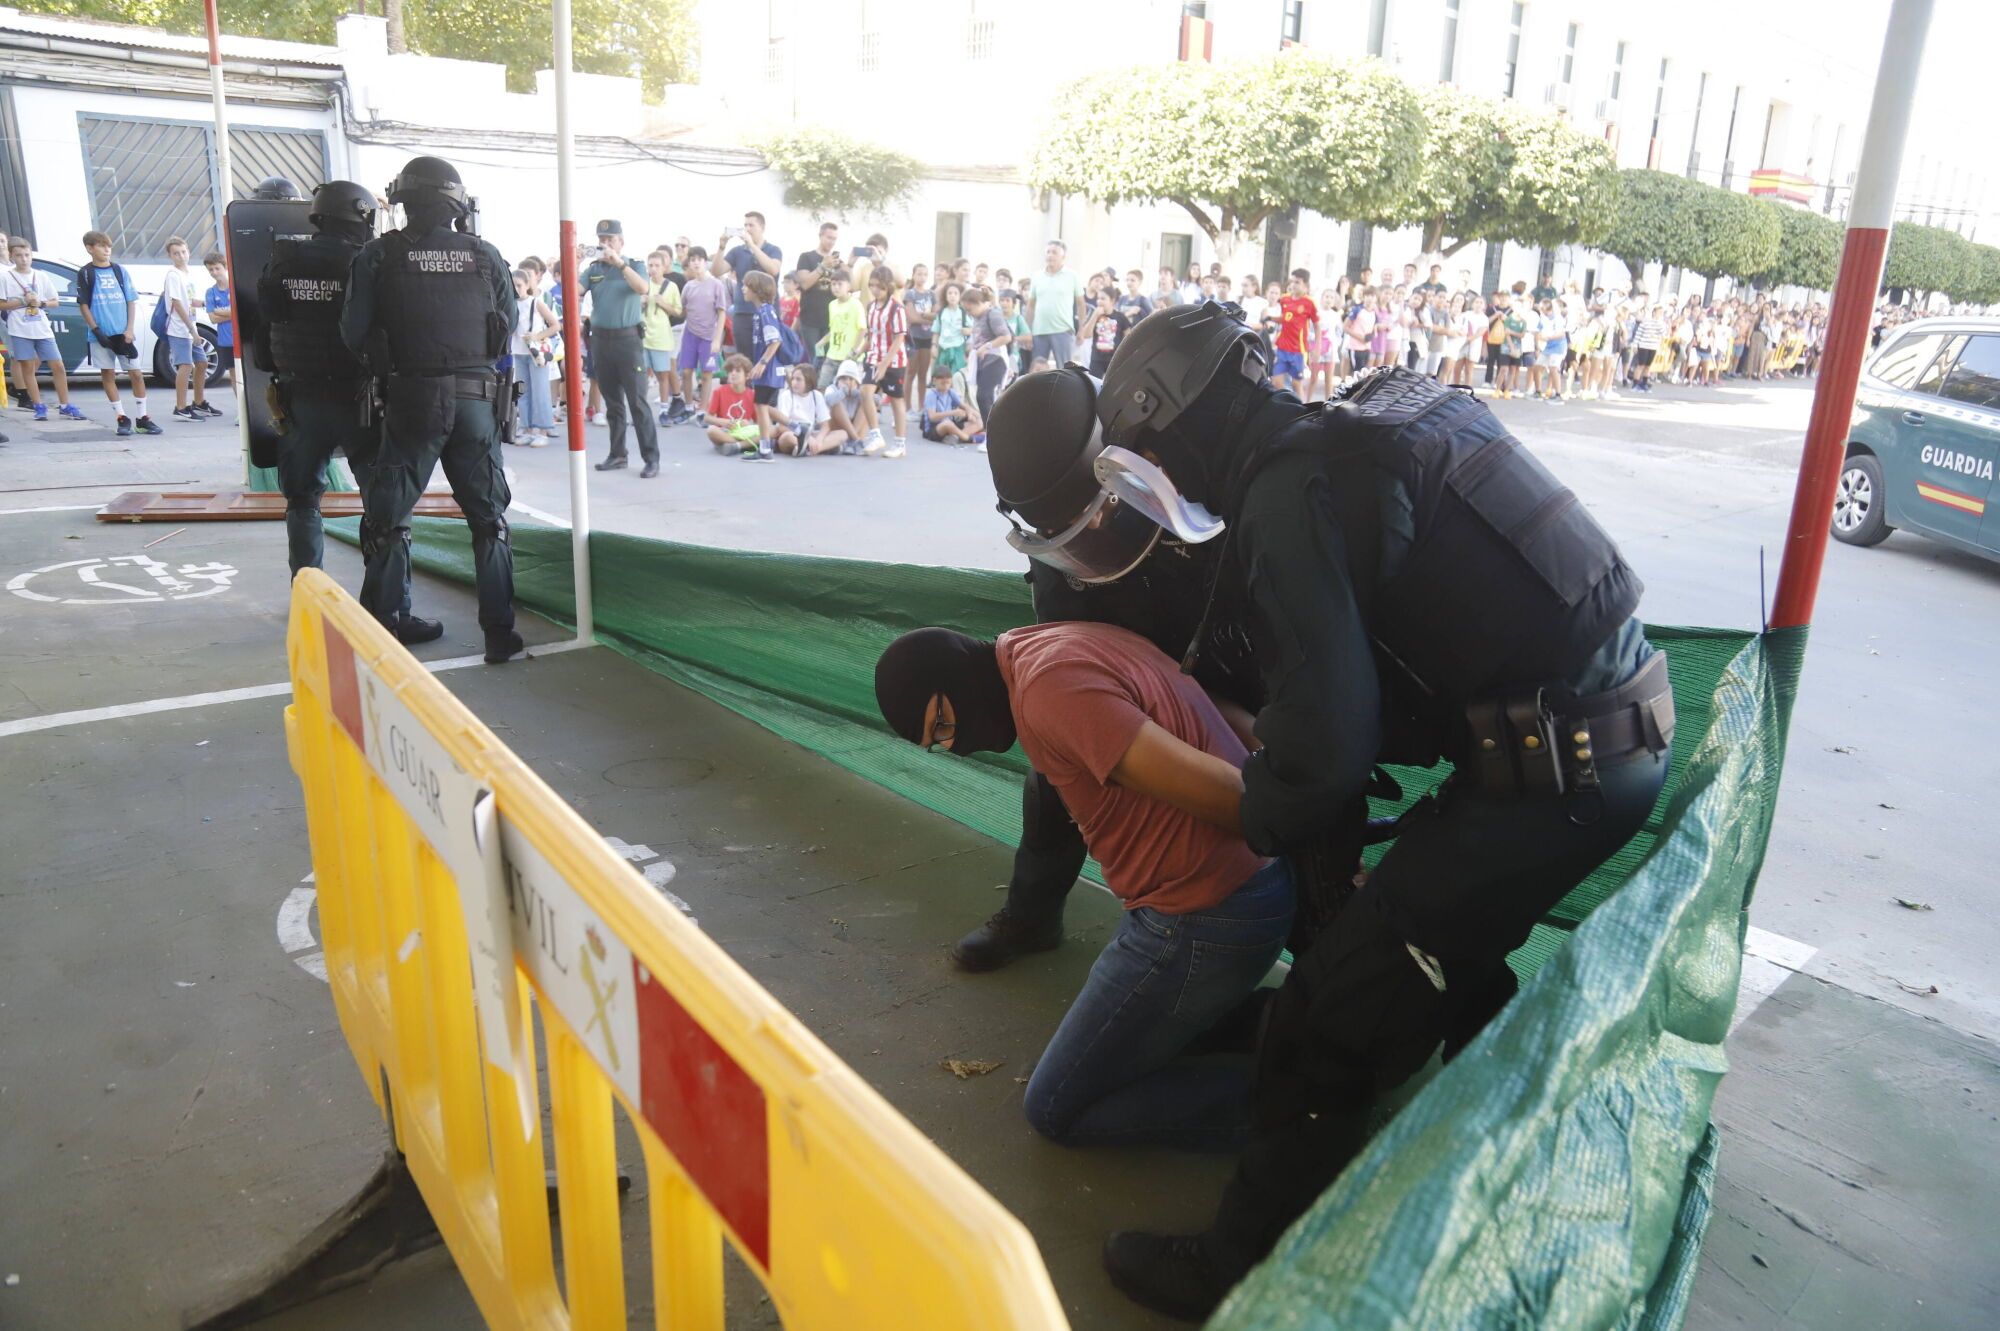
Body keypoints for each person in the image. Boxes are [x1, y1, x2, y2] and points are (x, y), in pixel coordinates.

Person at [984, 307, 1674, 1319]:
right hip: (1587, 741)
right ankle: (1488, 1148)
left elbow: (1321, 756)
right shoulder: (1372, 414)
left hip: (1552, 771)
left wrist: (1263, 802)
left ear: (1171, 426)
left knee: (1325, 1013)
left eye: (1145, 457)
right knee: (1429, 959)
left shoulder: (1285, 489)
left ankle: (1238, 1262)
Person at [874, 623, 1293, 1150]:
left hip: (1204, 915)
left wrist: (1311, 823)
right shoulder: (1038, 644)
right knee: (1108, 1049)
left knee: (1057, 1105)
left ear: (956, 675)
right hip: (1220, 896)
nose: (954, 746)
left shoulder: (1051, 693)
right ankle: (1284, 1024)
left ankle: (1301, 1108)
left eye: (942, 725)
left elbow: (1237, 803)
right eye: (936, 744)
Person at [340, 154, 522, 664]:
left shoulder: (377, 255)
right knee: (489, 520)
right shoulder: (485, 255)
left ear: (403, 201)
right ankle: (499, 634)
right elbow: (507, 324)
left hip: (411, 399)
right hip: (476, 401)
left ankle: (383, 630)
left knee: (389, 517)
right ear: (456, 205)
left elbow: (353, 332)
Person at [255, 179, 429, 637]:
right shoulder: (367, 260)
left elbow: (263, 338)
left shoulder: (283, 259)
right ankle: (391, 612)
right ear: (362, 216)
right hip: (361, 401)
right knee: (386, 508)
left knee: (302, 502)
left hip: (298, 399)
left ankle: (307, 600)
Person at [581, 219, 658, 477]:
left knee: (637, 402)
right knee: (613, 403)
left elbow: (643, 288)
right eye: (601, 240)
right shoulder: (593, 269)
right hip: (601, 341)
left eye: (610, 240)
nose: (605, 244)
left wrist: (620, 264)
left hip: (628, 341)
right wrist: (574, 261)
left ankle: (651, 458)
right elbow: (575, 291)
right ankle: (617, 454)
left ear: (621, 242)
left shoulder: (634, 265)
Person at [75, 230, 162, 436]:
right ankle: (121, 417)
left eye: (108, 246)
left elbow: (130, 301)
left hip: (122, 333)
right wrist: (96, 330)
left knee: (136, 373)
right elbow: (84, 304)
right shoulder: (86, 273)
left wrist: (129, 329)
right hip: (100, 334)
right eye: (101, 246)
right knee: (108, 373)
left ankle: (143, 418)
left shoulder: (119, 271)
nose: (107, 250)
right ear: (89, 248)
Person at [2, 238, 85, 421]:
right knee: (28, 367)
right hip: (19, 328)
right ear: (12, 257)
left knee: (58, 366)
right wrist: (22, 301)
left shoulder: (40, 276)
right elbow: (2, 305)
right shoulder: (6, 277)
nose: (24, 259)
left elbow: (54, 301)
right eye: (19, 255)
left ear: (31, 256)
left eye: (27, 255)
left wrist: (40, 303)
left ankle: (65, 405)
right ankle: (38, 405)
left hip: (42, 327)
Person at [162, 237, 216, 420]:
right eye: (176, 253)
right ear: (170, 256)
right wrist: (192, 330)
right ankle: (180, 407)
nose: (181, 256)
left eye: (183, 252)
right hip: (179, 328)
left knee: (202, 363)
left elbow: (189, 300)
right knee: (185, 365)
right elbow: (177, 303)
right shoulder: (173, 275)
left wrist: (206, 303)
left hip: (190, 326)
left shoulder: (187, 274)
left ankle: (199, 402)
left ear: (188, 252)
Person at [720, 211, 782, 365]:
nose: (747, 229)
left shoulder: (773, 250)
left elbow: (773, 269)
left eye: (751, 225)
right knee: (744, 361)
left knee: (767, 359)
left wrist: (752, 246)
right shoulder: (737, 251)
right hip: (742, 313)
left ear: (762, 227)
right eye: (745, 225)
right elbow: (716, 271)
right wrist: (721, 247)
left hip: (766, 313)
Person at [676, 246, 728, 425]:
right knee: (686, 372)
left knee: (706, 374)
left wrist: (717, 339)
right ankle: (689, 406)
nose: (696, 263)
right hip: (690, 334)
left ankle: (703, 410)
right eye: (693, 260)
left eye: (699, 259)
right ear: (689, 264)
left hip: (708, 336)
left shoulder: (716, 285)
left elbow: (722, 313)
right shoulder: (688, 286)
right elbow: (681, 310)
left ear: (705, 262)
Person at [861, 264, 909, 456]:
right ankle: (875, 435)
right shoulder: (871, 307)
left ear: (888, 286)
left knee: (896, 400)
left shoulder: (897, 308)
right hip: (874, 356)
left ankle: (900, 444)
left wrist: (885, 364)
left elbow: (899, 337)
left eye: (879, 286)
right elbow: (871, 335)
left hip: (894, 361)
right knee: (865, 391)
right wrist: (858, 351)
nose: (875, 290)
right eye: (871, 285)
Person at [508, 266, 558, 444]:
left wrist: (537, 336)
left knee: (540, 392)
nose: (516, 289)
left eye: (519, 285)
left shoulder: (536, 303)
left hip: (536, 353)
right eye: (513, 286)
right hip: (519, 351)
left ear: (527, 285)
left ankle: (543, 431)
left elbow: (555, 325)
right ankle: (527, 428)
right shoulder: (511, 304)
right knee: (523, 392)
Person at [743, 270, 788, 457]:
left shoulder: (765, 312)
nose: (743, 289)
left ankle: (765, 448)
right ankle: (796, 427)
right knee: (762, 405)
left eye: (747, 286)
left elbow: (774, 341)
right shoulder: (761, 312)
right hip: (768, 369)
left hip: (768, 369)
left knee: (760, 406)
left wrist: (761, 363)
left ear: (757, 290)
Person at [641, 250, 686, 426]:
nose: (653, 269)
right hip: (642, 336)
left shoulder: (671, 286)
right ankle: (641, 411)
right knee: (641, 375)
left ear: (664, 267)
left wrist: (663, 304)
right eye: (650, 265)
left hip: (661, 336)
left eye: (657, 265)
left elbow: (678, 311)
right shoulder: (643, 284)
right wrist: (640, 302)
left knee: (662, 374)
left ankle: (664, 410)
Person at [1026, 240, 1084, 369]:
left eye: (1054, 252)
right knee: (1037, 371)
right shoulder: (1037, 276)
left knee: (1064, 370)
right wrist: (1027, 330)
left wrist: (1081, 329)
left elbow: (1081, 304)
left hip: (1063, 331)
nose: (1050, 255)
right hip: (1039, 331)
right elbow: (1030, 306)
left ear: (1063, 257)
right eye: (1048, 252)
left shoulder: (1072, 276)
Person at [962, 285, 1012, 428]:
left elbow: (1006, 337)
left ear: (978, 303)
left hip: (995, 360)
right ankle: (989, 431)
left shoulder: (993, 314)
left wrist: (987, 346)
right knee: (983, 397)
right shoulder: (978, 317)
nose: (969, 313)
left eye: (970, 309)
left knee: (985, 396)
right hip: (983, 362)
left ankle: (993, 431)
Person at [794, 221, 839, 359]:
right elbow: (805, 284)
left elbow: (850, 286)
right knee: (815, 358)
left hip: (831, 320)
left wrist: (849, 264)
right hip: (810, 320)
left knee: (828, 358)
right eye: (829, 237)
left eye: (834, 239)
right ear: (820, 236)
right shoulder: (806, 257)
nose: (831, 242)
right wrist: (822, 267)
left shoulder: (837, 261)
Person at [774, 363, 841, 457]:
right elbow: (781, 427)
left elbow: (825, 426)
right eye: (793, 379)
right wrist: (806, 438)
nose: (794, 382)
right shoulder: (787, 395)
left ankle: (812, 449)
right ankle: (815, 448)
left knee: (842, 434)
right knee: (786, 437)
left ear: (809, 381)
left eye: (798, 379)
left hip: (810, 433)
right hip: (792, 434)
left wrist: (819, 439)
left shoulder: (817, 395)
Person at [818, 267, 866, 393]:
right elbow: (833, 329)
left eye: (840, 284)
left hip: (850, 357)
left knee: (848, 392)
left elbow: (862, 329)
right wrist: (821, 342)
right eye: (833, 284)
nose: (836, 287)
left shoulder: (856, 304)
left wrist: (854, 351)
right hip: (832, 355)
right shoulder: (832, 305)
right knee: (822, 386)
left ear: (848, 286)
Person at [1270, 270, 1317, 394]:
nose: (1294, 285)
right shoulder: (1284, 299)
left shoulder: (1309, 303)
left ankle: (1300, 405)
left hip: (1298, 350)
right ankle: (1286, 401)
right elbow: (1285, 318)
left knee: (1296, 384)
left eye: (1297, 282)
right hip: (1282, 347)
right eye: (1292, 281)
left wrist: (1316, 348)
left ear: (1305, 285)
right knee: (1276, 381)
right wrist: (1270, 318)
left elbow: (1317, 325)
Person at [702, 353, 758, 453]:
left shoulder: (752, 394)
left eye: (738, 371)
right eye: (730, 371)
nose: (733, 373)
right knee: (711, 431)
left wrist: (749, 424)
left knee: (768, 431)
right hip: (726, 431)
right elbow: (707, 418)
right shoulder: (719, 391)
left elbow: (758, 422)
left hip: (744, 431)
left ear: (747, 375)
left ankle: (734, 445)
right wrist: (722, 422)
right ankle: (745, 445)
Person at [917, 365, 982, 444]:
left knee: (979, 422)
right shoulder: (931, 395)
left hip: (950, 423)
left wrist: (970, 414)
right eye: (942, 383)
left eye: (948, 382)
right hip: (934, 428)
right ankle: (968, 438)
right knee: (947, 424)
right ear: (934, 381)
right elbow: (932, 417)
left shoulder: (951, 392)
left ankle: (954, 437)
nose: (945, 385)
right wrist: (953, 412)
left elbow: (964, 406)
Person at [1079, 286, 1131, 378]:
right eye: (1098, 298)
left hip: (1114, 360)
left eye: (1103, 299)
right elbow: (1086, 335)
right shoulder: (1095, 315)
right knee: (1094, 384)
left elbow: (1129, 337)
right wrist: (1095, 315)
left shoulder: (1120, 317)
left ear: (1112, 301)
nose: (1099, 301)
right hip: (1097, 359)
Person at [202, 252, 236, 389]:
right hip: (226, 340)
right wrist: (232, 313)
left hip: (241, 339)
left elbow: (240, 312)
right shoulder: (211, 292)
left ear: (225, 267)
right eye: (211, 269)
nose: (214, 272)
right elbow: (213, 318)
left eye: (217, 268)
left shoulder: (234, 287)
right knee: (234, 376)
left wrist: (219, 311)